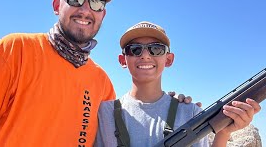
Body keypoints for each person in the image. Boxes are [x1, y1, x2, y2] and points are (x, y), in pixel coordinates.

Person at [0, 0, 192, 146]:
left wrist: (170, 104)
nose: (86, 9)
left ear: (103, 15)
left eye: (96, 3)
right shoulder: (14, 50)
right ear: (57, 6)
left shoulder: (102, 83)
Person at [95, 21, 261, 147]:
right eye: (135, 49)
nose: (145, 55)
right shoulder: (103, 113)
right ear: (123, 60)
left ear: (168, 59)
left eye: (156, 49)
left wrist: (223, 132)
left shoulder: (190, 113)